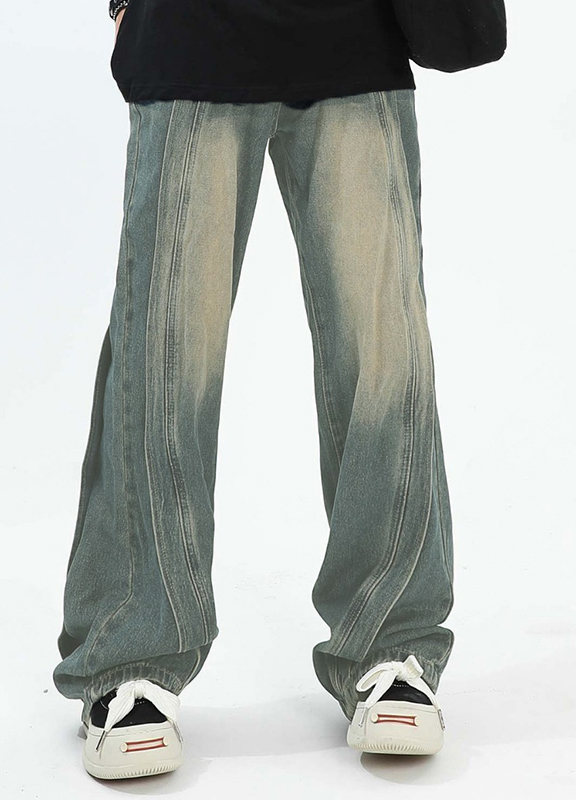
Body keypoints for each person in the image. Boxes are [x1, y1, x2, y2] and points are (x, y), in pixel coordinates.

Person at [53, 0, 457, 780]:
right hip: (192, 34)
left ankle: (392, 646)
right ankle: (130, 658)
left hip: (358, 38)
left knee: (386, 359)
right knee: (166, 358)